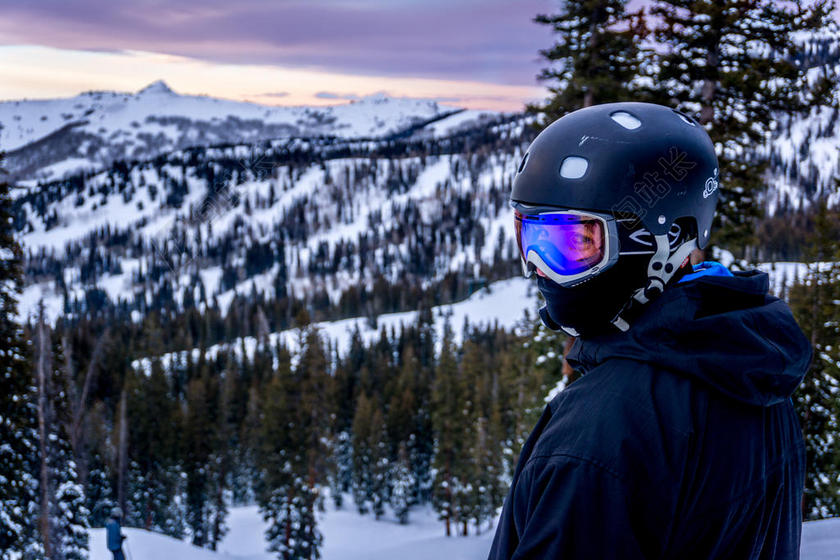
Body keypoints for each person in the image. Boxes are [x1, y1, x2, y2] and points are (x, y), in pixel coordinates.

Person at [488, 102, 810, 559]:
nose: (540, 269)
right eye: (530, 239)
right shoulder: (754, 370)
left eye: (575, 242)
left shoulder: (597, 440)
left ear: (666, 240)